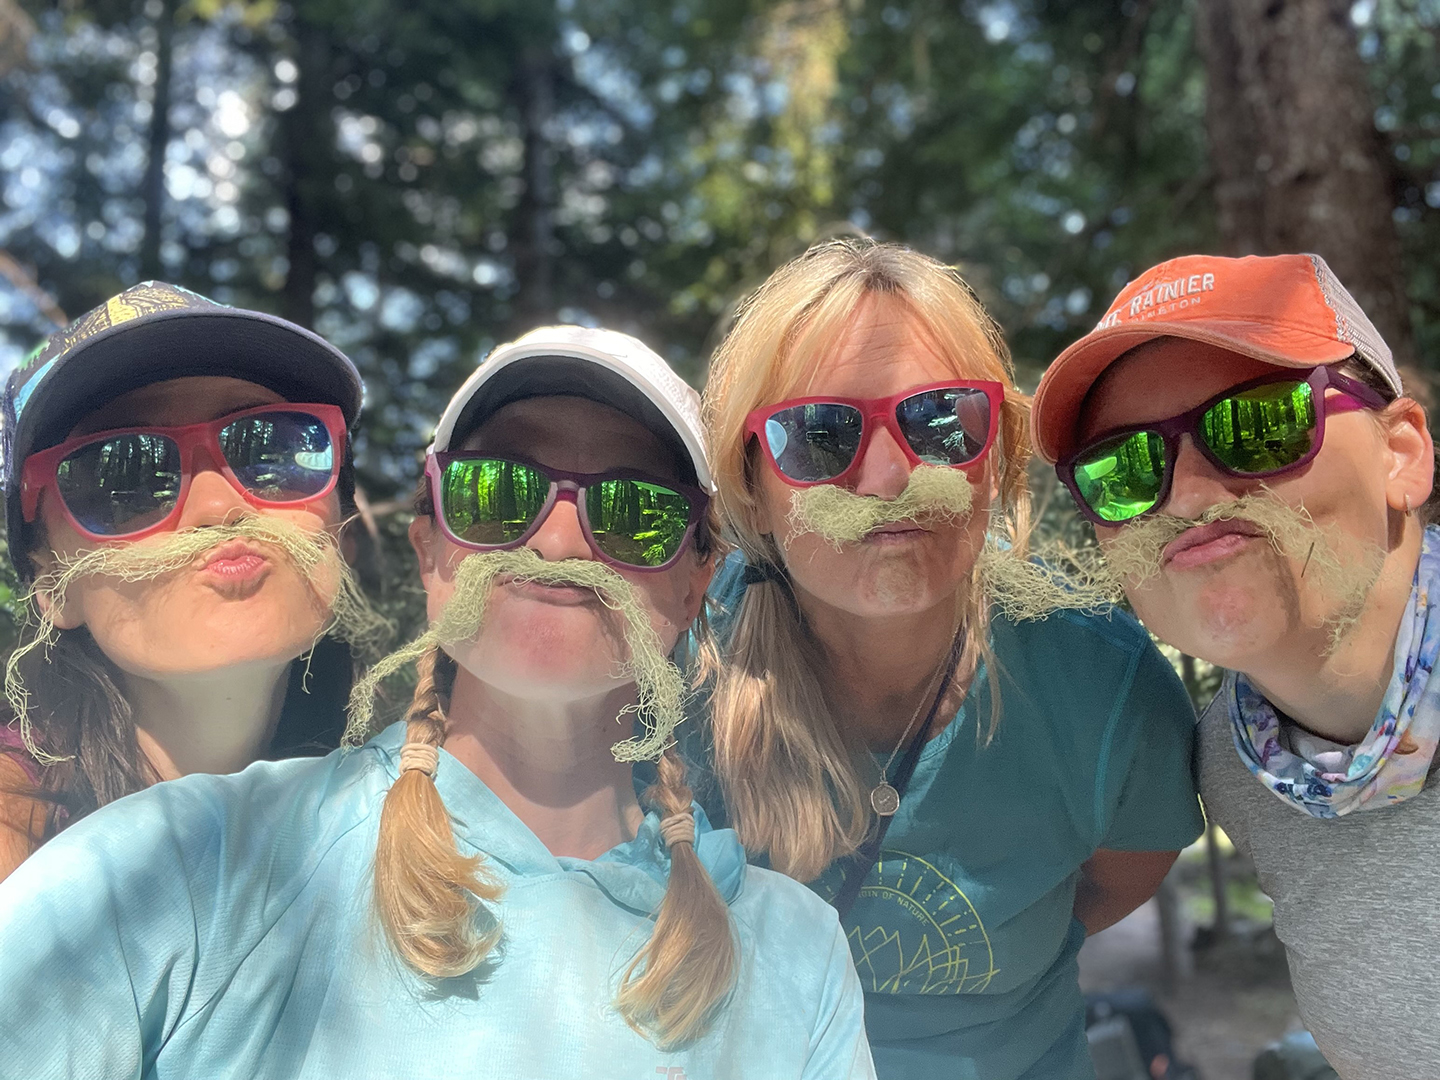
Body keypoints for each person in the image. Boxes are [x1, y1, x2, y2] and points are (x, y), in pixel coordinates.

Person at [0, 325, 875, 1079]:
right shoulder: (176, 866)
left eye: (636, 511)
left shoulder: (798, 955)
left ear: (695, 585)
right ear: (428, 551)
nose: (561, 538)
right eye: (496, 491)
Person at [699, 239, 1204, 1080]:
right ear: (750, 479)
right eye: (820, 437)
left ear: (996, 451)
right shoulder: (676, 678)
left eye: (944, 422)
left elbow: (1110, 887)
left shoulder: (1104, 686)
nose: (894, 474)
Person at [1030, 252, 1440, 1080]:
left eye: (1259, 424)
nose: (1183, 498)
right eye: (1122, 468)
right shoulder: (1234, 765)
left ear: (1401, 453)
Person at [0, 280, 372, 880]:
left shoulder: (413, 797)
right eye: (125, 479)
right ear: (51, 582)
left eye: (270, 451)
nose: (218, 505)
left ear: (338, 531)